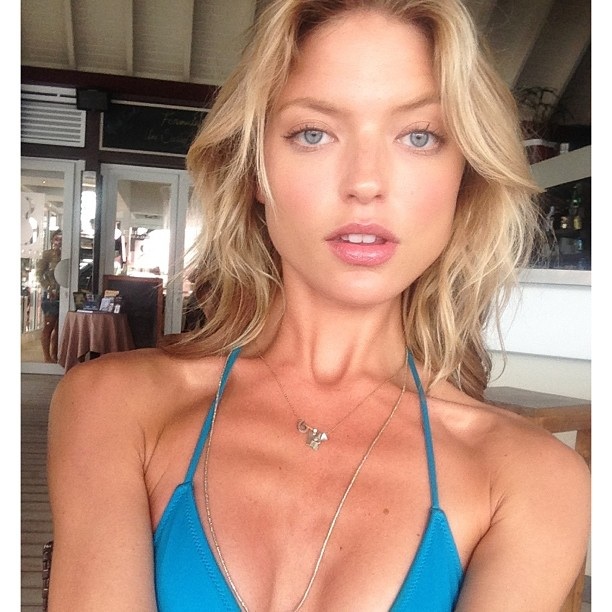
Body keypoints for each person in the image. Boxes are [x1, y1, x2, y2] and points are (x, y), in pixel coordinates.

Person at [46, 1, 590, 610]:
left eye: (419, 136)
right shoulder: (113, 406)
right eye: (314, 133)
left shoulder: (532, 480)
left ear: (464, 176)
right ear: (256, 169)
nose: (365, 182)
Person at [36, 229, 62, 362]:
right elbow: (39, 274)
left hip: (64, 294)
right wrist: (48, 287)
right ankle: (47, 357)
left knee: (59, 327)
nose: (59, 242)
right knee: (49, 326)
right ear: (52, 240)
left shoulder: (67, 254)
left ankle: (55, 355)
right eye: (56, 239)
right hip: (51, 295)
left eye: (61, 239)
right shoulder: (47, 255)